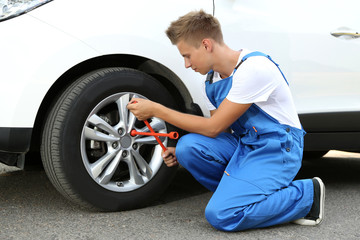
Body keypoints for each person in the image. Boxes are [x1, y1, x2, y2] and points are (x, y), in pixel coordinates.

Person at [127, 10, 325, 231]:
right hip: (246, 146)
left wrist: (157, 110)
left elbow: (213, 128)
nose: (186, 64)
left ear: (206, 45)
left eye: (187, 55)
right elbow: (222, 133)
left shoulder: (253, 69)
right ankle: (247, 194)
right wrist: (179, 149)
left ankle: (306, 195)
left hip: (277, 148)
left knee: (222, 215)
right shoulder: (211, 81)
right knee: (187, 147)